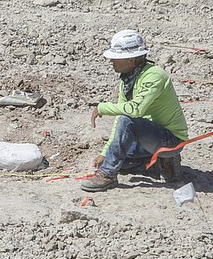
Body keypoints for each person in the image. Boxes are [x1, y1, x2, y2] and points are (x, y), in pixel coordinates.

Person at [81, 30, 189, 193]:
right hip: (149, 137)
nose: (111, 61)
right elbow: (120, 122)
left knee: (128, 121)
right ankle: (160, 162)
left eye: (115, 58)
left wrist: (102, 107)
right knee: (119, 160)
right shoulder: (128, 80)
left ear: (131, 59)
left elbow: (134, 111)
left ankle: (107, 176)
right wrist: (106, 152)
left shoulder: (154, 76)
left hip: (172, 140)